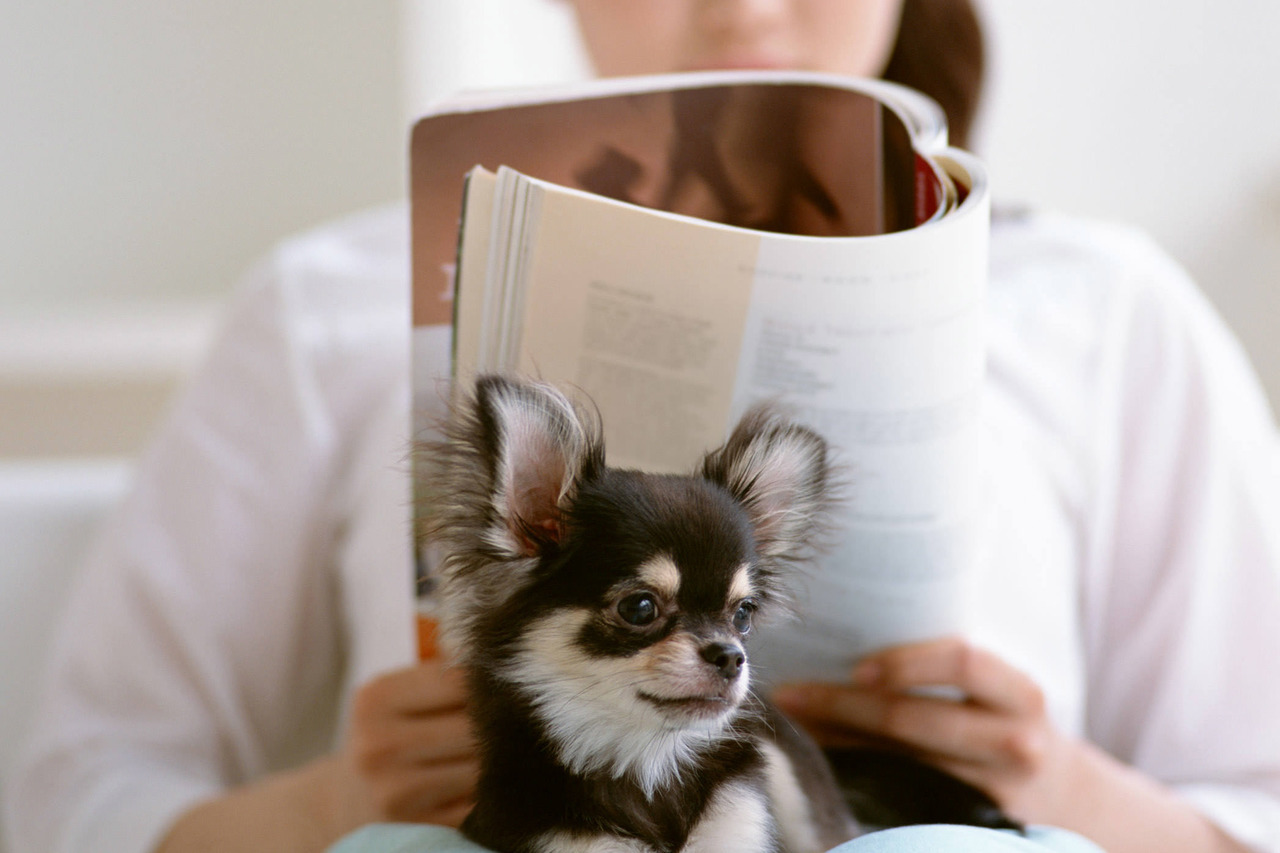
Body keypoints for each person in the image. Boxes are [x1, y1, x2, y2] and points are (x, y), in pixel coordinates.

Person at [6, 2, 1280, 852]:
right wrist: (339, 794)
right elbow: (77, 803)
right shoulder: (323, 310)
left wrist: (1048, 782)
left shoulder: (1103, 311)